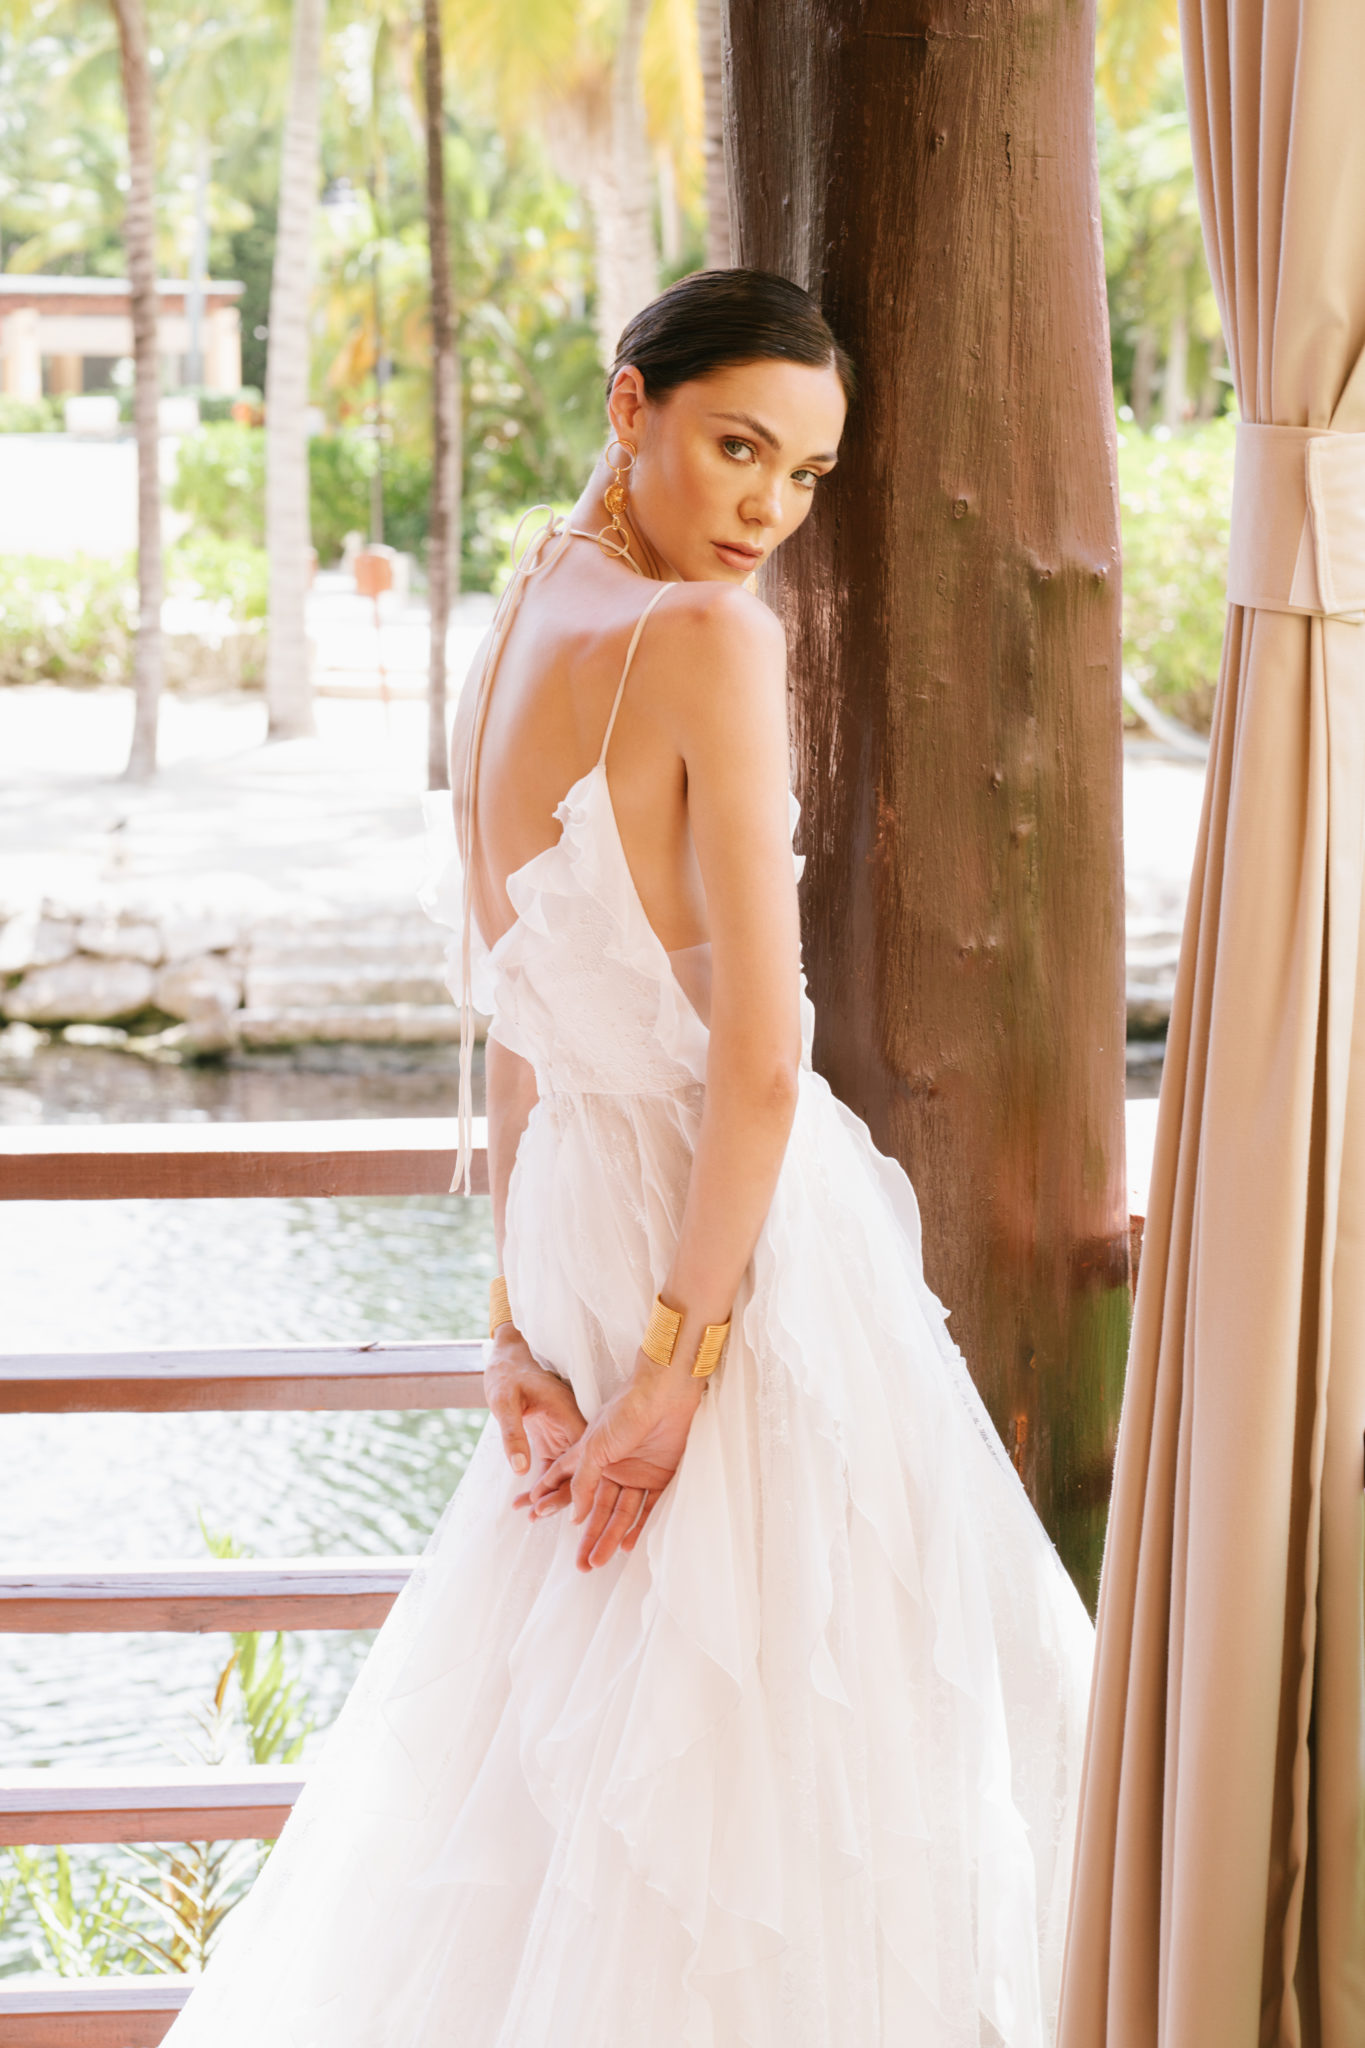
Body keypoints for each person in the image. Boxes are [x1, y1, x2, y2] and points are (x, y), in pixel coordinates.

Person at [161, 269, 1093, 2048]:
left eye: (804, 475)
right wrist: (676, 1364)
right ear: (628, 406)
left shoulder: (522, 606)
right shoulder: (707, 641)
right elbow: (760, 1059)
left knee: (584, 1761)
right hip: (722, 1261)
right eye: (738, 448)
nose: (768, 510)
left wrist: (515, 1322)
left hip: (586, 1235)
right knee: (799, 1765)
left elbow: (517, 1013)